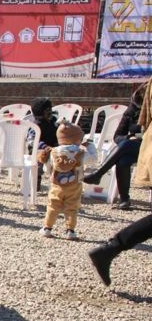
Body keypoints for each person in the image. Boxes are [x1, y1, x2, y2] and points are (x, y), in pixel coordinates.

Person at [83, 81, 148, 210]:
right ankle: (124, 199)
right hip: (135, 147)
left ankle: (99, 173)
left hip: (149, 148)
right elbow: (117, 136)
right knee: (123, 159)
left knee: (126, 149)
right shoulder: (133, 109)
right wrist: (130, 137)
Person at [38, 122, 94, 240]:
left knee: (53, 206)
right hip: (75, 185)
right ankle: (70, 231)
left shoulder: (53, 152)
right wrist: (90, 146)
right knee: (72, 208)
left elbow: (46, 169)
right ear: (77, 139)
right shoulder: (80, 152)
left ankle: (47, 228)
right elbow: (94, 159)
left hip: (56, 185)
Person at [31, 97, 58, 191]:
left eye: (51, 109)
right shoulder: (36, 125)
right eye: (47, 110)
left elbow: (58, 134)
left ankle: (58, 182)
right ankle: (36, 181)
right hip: (39, 149)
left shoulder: (54, 121)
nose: (50, 112)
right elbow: (33, 140)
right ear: (40, 113)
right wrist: (44, 146)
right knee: (38, 163)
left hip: (54, 147)